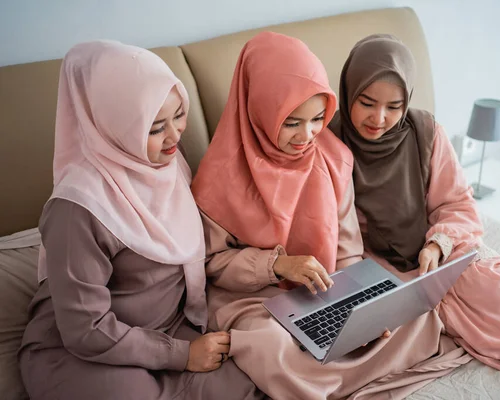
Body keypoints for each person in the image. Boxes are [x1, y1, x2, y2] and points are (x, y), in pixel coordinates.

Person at [191, 31, 472, 400]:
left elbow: (348, 253)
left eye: (318, 119)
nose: (307, 135)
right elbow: (210, 264)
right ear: (257, 109)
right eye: (291, 122)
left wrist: (358, 309)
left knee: (418, 315)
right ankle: (331, 373)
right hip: (253, 297)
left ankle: (326, 370)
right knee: (268, 348)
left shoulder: (334, 158)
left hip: (324, 292)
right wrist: (277, 266)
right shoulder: (217, 177)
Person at [329, 33, 500, 397]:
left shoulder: (425, 132)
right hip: (380, 268)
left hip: (442, 250)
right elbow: (331, 233)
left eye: (394, 106)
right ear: (348, 91)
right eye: (366, 102)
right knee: (425, 325)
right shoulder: (329, 146)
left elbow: (458, 204)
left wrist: (437, 245)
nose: (379, 118)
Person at [18, 40, 264, 400]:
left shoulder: (165, 164)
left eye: (179, 115)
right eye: (154, 128)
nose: (175, 136)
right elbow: (85, 329)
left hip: (168, 326)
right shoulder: (78, 209)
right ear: (114, 126)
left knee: (254, 381)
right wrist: (182, 355)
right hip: (84, 346)